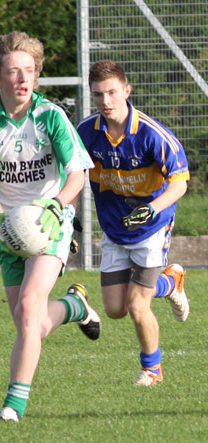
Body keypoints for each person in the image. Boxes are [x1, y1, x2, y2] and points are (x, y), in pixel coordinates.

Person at [0, 31, 100, 422]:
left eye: (29, 71)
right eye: (13, 71)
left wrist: (57, 206)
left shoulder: (52, 116)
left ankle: (13, 406)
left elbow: (77, 175)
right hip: (7, 228)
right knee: (32, 325)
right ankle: (75, 306)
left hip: (52, 222)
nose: (23, 79)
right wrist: (4, 219)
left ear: (37, 76)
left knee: (26, 308)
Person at [77, 59, 190, 387]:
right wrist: (66, 214)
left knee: (138, 304)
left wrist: (152, 209)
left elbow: (181, 183)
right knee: (114, 309)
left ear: (127, 91)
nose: (106, 101)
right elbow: (72, 175)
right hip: (114, 229)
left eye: (112, 92)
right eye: (98, 95)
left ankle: (152, 370)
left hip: (152, 229)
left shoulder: (153, 135)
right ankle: (171, 282)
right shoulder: (86, 133)